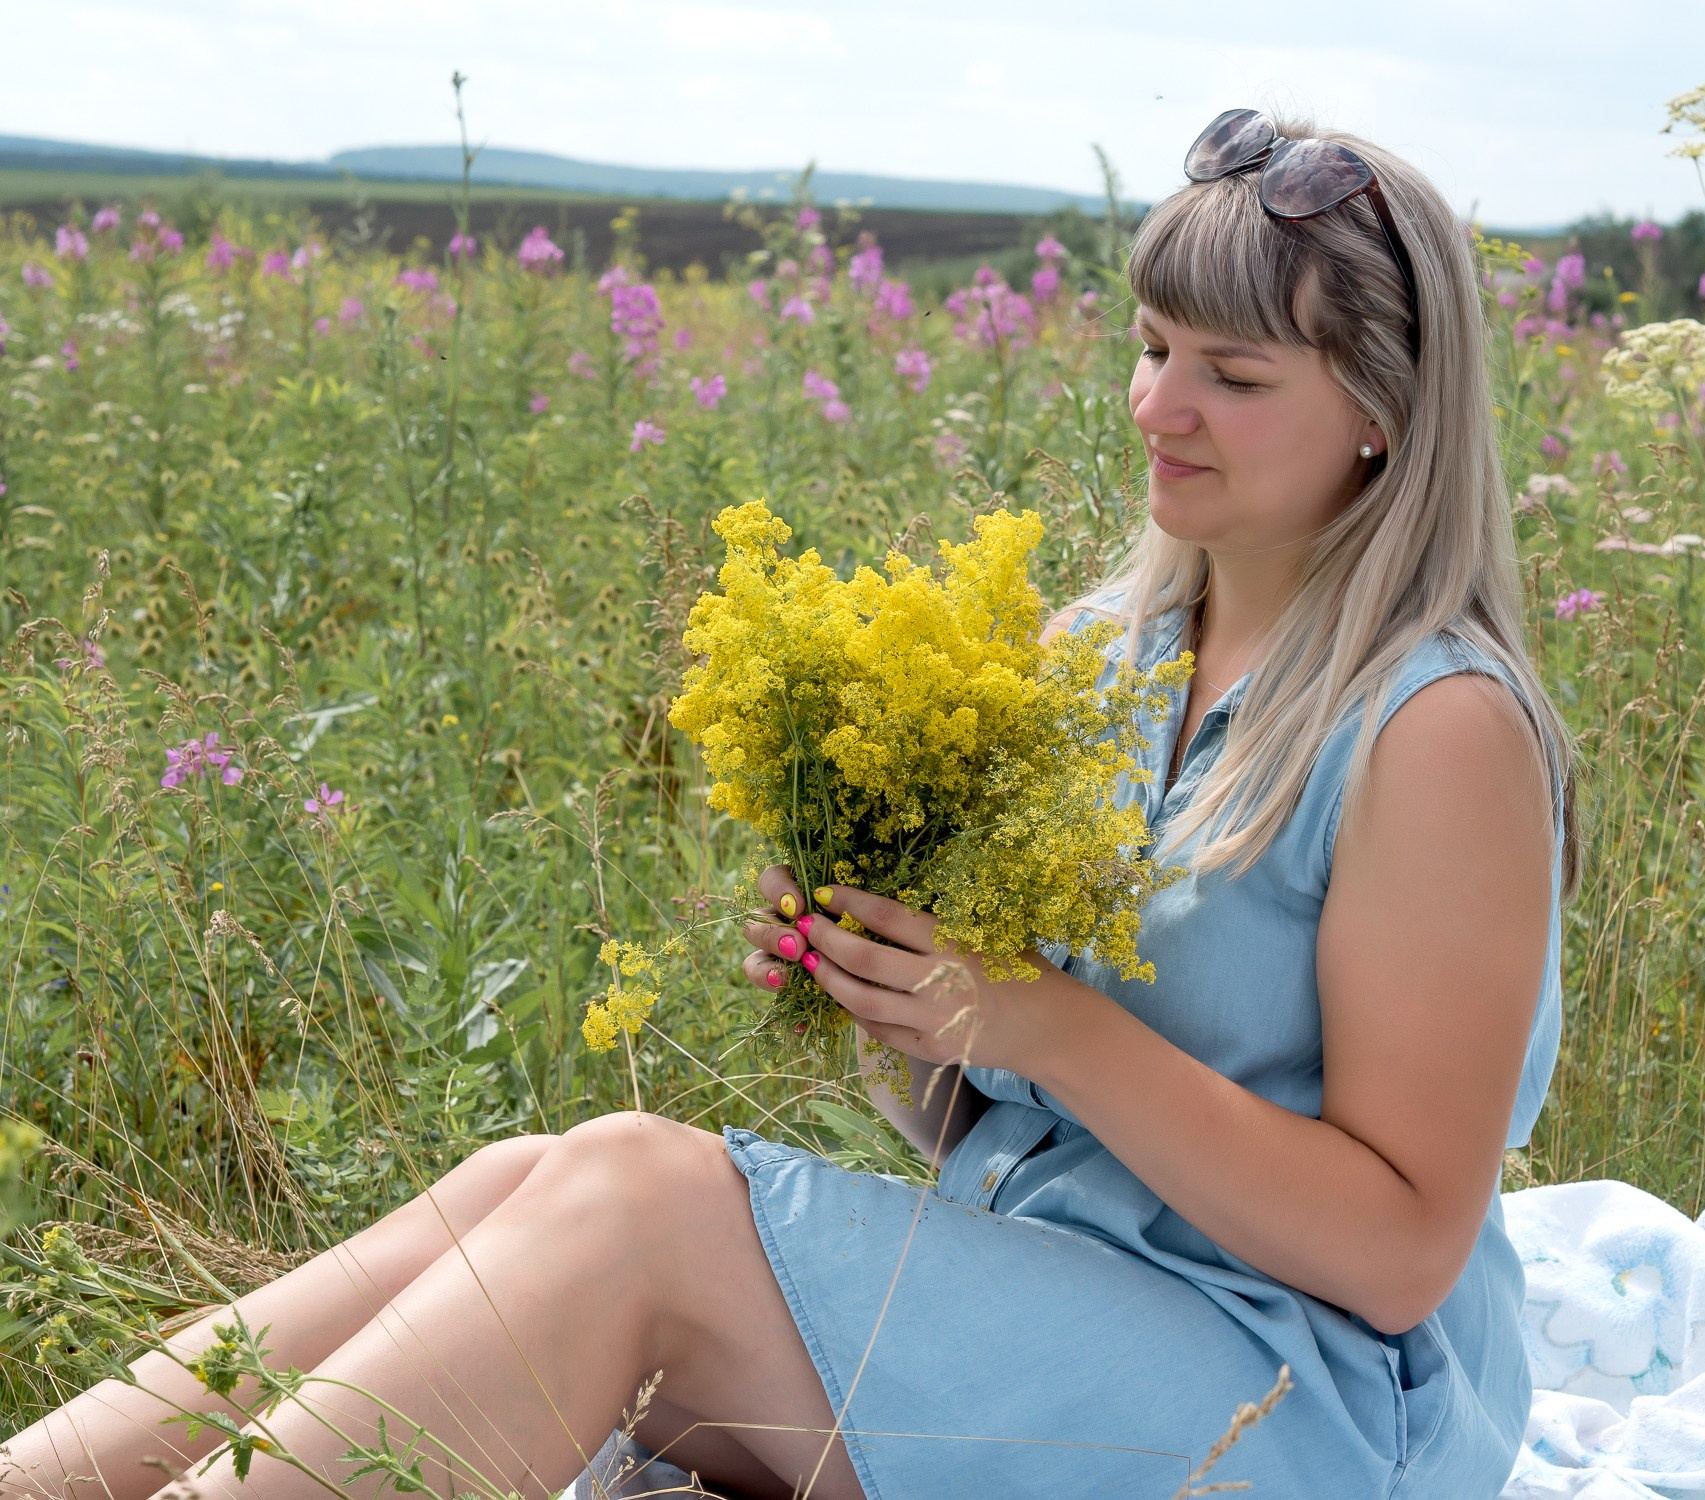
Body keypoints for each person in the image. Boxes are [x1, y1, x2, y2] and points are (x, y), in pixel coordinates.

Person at [1, 107, 1578, 1500]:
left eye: (1232, 376)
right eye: (1153, 346)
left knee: (635, 1204)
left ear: (1381, 408)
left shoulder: (1432, 729)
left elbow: (1397, 1250)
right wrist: (893, 1003)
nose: (1154, 408)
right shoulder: (1106, 654)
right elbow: (1005, 1124)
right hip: (1067, 1288)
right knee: (543, 1175)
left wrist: (1038, 1024)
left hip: (1297, 1404)